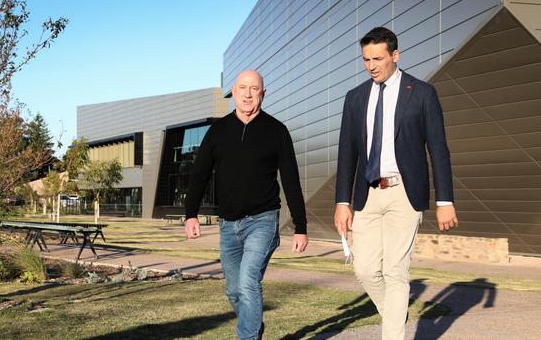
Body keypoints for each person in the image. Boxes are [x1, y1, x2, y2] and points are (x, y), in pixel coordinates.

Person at [334, 27, 459, 340]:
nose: (371, 65)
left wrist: (445, 201)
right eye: (366, 59)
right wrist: (341, 202)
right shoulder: (355, 97)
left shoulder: (422, 93)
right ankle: (395, 314)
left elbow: (439, 149)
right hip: (367, 194)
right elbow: (346, 154)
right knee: (364, 269)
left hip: (405, 192)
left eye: (377, 58)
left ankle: (392, 334)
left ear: (395, 55)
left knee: (395, 271)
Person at [185, 69, 308, 340]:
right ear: (234, 92)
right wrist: (190, 214)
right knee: (233, 290)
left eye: (254, 88)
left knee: (248, 282)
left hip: (262, 220)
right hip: (228, 225)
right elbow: (199, 174)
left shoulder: (276, 131)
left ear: (263, 94)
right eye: (243, 88)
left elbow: (291, 180)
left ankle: (248, 336)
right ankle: (254, 326)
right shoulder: (218, 130)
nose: (248, 93)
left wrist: (301, 225)